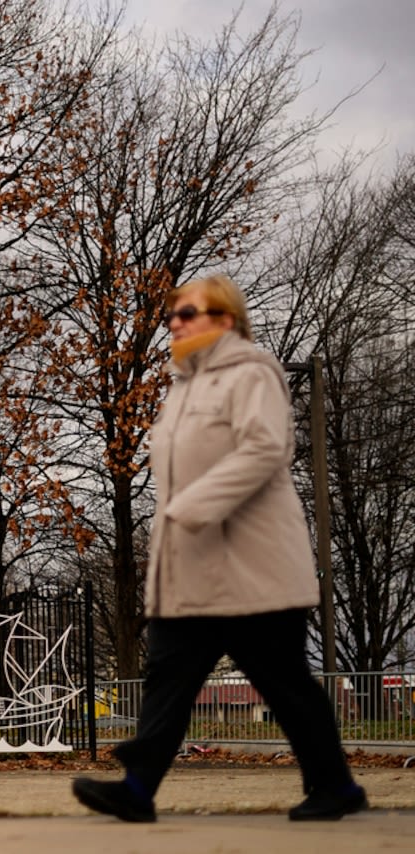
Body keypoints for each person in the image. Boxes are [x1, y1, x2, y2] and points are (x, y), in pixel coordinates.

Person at [72, 274, 366, 823]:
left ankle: (335, 785)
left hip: (254, 568)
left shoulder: (253, 373)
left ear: (225, 319)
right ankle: (136, 789)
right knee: (168, 678)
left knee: (284, 682)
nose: (175, 324)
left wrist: (192, 508)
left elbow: (265, 448)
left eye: (188, 313)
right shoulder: (183, 389)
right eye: (172, 316)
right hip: (193, 568)